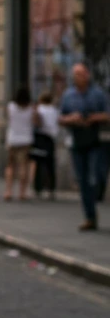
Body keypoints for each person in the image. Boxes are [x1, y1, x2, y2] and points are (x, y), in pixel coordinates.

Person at [60, 62, 110, 230]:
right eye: (75, 74)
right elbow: (61, 117)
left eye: (81, 74)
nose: (78, 77)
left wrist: (94, 118)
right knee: (83, 181)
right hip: (78, 141)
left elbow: (107, 115)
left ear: (87, 75)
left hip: (95, 141)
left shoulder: (98, 94)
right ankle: (90, 216)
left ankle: (96, 199)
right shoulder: (68, 95)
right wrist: (71, 119)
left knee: (95, 175)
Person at [4, 85, 35, 202]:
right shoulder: (31, 108)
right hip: (26, 140)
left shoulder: (11, 106)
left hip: (12, 139)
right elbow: (36, 121)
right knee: (23, 166)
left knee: (11, 166)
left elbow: (8, 118)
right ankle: (22, 192)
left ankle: (8, 191)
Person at [31, 91, 59, 199]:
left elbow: (36, 123)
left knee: (39, 164)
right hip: (50, 139)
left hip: (40, 138)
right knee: (50, 165)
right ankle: (51, 189)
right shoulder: (54, 110)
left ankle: (38, 188)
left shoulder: (40, 109)